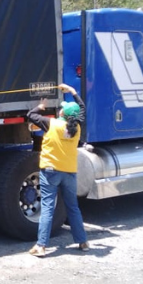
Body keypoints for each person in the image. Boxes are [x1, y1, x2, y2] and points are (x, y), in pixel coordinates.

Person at [26, 83, 89, 257]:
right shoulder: (77, 127)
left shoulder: (51, 124)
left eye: (62, 109)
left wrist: (41, 106)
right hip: (69, 172)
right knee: (73, 207)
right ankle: (82, 241)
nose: (60, 110)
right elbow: (82, 109)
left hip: (51, 171)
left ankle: (41, 246)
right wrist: (73, 92)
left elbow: (31, 115)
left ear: (63, 114)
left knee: (47, 207)